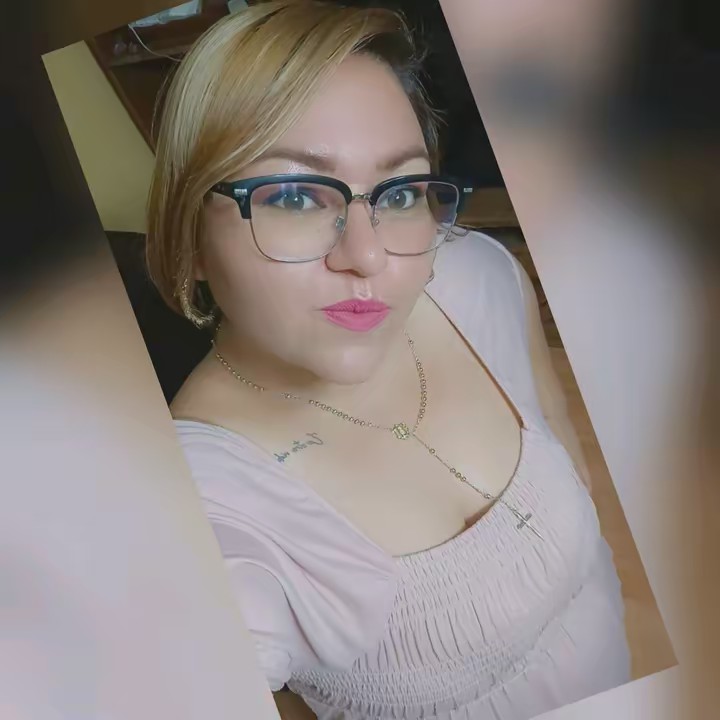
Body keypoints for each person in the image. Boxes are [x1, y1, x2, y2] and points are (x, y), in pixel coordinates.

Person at [146, 1, 631, 718]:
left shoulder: (476, 277)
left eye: (399, 192)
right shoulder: (201, 510)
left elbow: (561, 441)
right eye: (293, 196)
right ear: (189, 238)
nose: (369, 256)